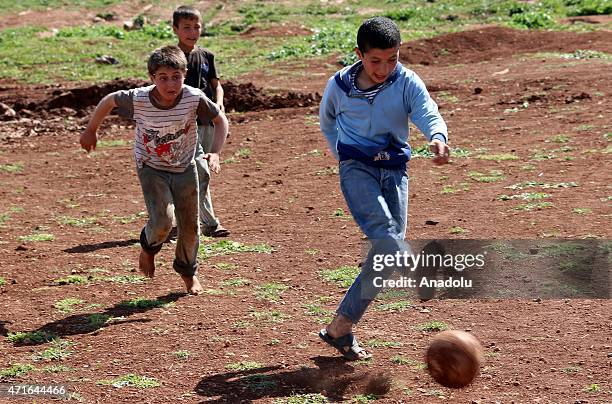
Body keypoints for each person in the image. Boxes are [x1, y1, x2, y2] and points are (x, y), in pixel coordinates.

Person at [318, 17, 450, 360]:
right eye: (375, 60)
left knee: (386, 254)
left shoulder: (406, 81)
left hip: (394, 171)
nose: (384, 68)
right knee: (386, 235)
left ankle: (340, 329)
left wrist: (436, 136)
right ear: (359, 54)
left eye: (391, 59)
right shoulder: (339, 86)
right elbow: (327, 120)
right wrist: (339, 152)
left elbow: (426, 111)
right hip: (357, 168)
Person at [80, 45, 229, 295]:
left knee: (190, 226)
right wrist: (91, 129)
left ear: (184, 75)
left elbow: (220, 120)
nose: (170, 84)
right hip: (151, 166)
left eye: (176, 77)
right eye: (163, 78)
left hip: (185, 166)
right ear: (152, 78)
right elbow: (109, 101)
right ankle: (148, 249)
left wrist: (215, 151)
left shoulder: (193, 97)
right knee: (162, 221)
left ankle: (187, 272)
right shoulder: (139, 99)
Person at [172, 5, 230, 238]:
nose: (193, 32)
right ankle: (207, 223)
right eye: (187, 27)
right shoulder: (171, 57)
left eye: (197, 27)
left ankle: (196, 222)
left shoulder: (206, 56)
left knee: (200, 172)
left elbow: (216, 85)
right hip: (184, 123)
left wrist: (219, 104)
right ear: (175, 29)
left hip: (207, 121)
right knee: (196, 171)